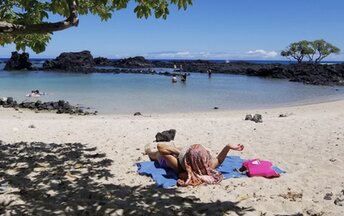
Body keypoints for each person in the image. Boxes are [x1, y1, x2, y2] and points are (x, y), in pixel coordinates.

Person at [145, 143, 244, 186]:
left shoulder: (179, 166)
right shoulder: (207, 166)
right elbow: (219, 159)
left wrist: (180, 153)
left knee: (153, 153)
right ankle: (179, 148)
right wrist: (228, 147)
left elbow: (160, 147)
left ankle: (148, 150)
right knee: (193, 149)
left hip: (164, 158)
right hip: (186, 156)